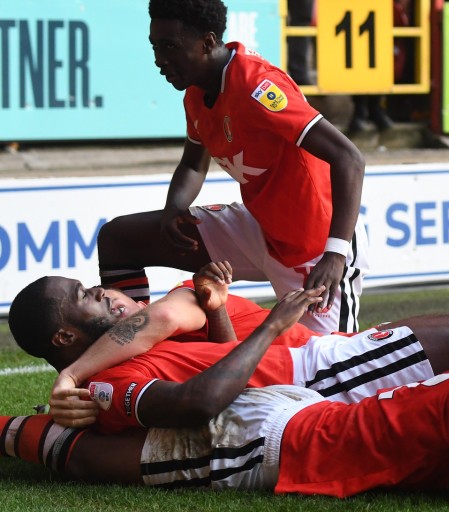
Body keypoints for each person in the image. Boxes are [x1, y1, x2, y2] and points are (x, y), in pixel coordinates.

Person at [1, 314, 449, 503]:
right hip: (276, 433)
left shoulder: (160, 316)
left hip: (299, 405)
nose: (118, 302)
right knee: (89, 463)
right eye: (97, 299)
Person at [98, 0, 368, 334]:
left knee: (331, 370)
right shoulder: (196, 93)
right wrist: (175, 208)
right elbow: (193, 164)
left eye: (170, 47)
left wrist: (336, 255)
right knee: (120, 239)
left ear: (207, 42)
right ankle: (128, 345)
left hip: (313, 244)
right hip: (259, 227)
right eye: (155, 46)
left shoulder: (257, 86)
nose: (159, 59)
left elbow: (349, 158)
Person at [8, 272, 449, 433]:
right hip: (318, 374)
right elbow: (200, 400)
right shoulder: (110, 376)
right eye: (86, 296)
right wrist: (63, 395)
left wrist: (67, 379)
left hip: (325, 351)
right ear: (62, 337)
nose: (102, 290)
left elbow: (191, 338)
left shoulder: (165, 313)